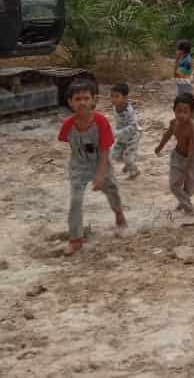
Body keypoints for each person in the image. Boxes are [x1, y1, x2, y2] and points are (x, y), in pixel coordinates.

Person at [59, 79, 127, 255]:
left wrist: (100, 174)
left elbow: (105, 151)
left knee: (112, 191)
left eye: (86, 98)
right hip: (78, 165)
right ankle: (75, 239)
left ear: (94, 100)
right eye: (77, 99)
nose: (82, 102)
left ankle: (119, 215)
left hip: (100, 163)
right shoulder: (68, 125)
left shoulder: (101, 122)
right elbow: (70, 145)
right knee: (75, 201)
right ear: (70, 102)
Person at [156, 92, 194, 214]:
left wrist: (188, 167)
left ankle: (183, 201)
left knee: (190, 189)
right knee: (174, 185)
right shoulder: (174, 123)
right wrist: (159, 147)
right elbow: (167, 134)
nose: (181, 115)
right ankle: (188, 206)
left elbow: (191, 150)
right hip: (178, 156)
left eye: (185, 112)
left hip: (193, 160)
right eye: (178, 111)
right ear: (174, 110)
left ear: (191, 113)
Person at [110, 82, 142, 179]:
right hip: (122, 136)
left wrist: (118, 133)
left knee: (128, 157)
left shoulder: (129, 111)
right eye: (112, 96)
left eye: (117, 96)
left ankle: (134, 171)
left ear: (125, 98)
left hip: (133, 135)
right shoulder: (115, 108)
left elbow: (133, 126)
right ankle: (128, 164)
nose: (113, 99)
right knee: (115, 155)